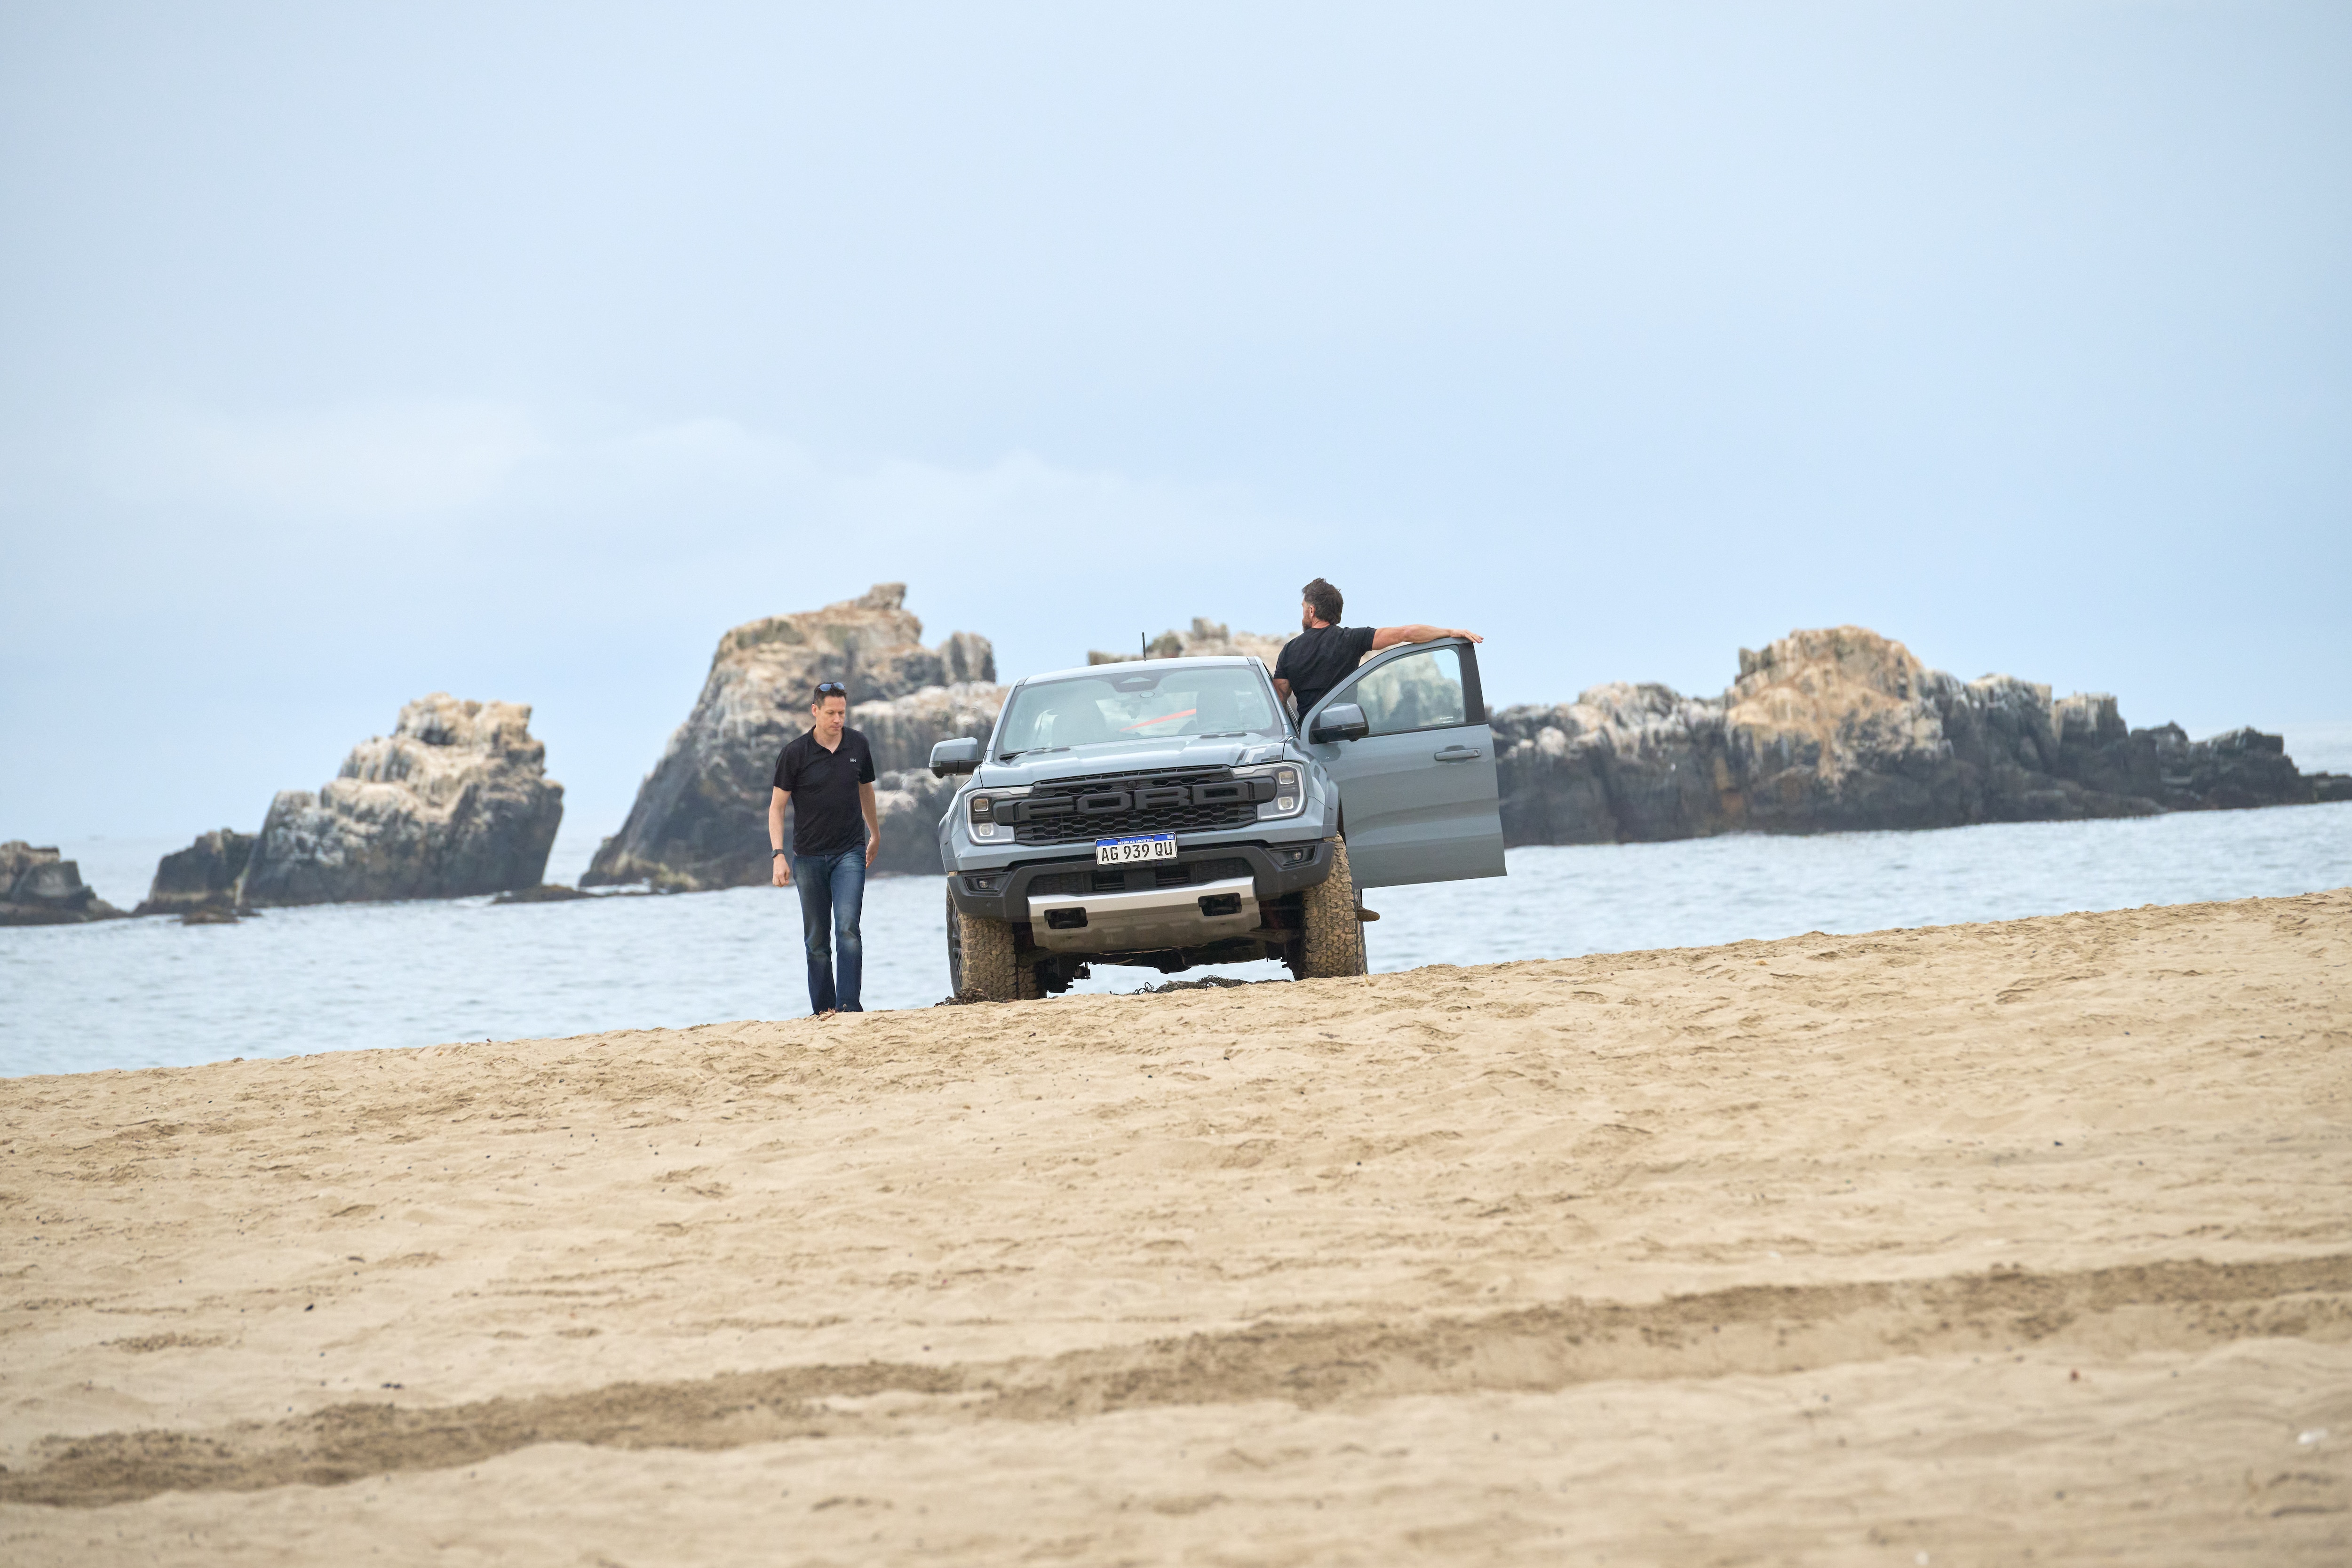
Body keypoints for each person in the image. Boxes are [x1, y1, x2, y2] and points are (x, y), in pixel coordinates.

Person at [770, 681, 879, 1015]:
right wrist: (778, 855)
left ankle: (849, 1007)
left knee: (848, 928)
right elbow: (777, 807)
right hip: (808, 858)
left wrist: (875, 832)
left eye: (842, 713)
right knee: (817, 941)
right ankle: (824, 1009)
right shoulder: (794, 753)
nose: (837, 719)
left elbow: (866, 792)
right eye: (831, 712)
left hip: (850, 851)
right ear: (815, 711)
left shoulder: (858, 744)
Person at [1271, 577, 1483, 718]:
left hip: (1308, 742)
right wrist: (1449, 632)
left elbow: (1278, 702)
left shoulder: (1289, 651)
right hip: (1347, 737)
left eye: (1303, 608)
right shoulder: (1352, 639)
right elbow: (1407, 633)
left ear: (1311, 611)